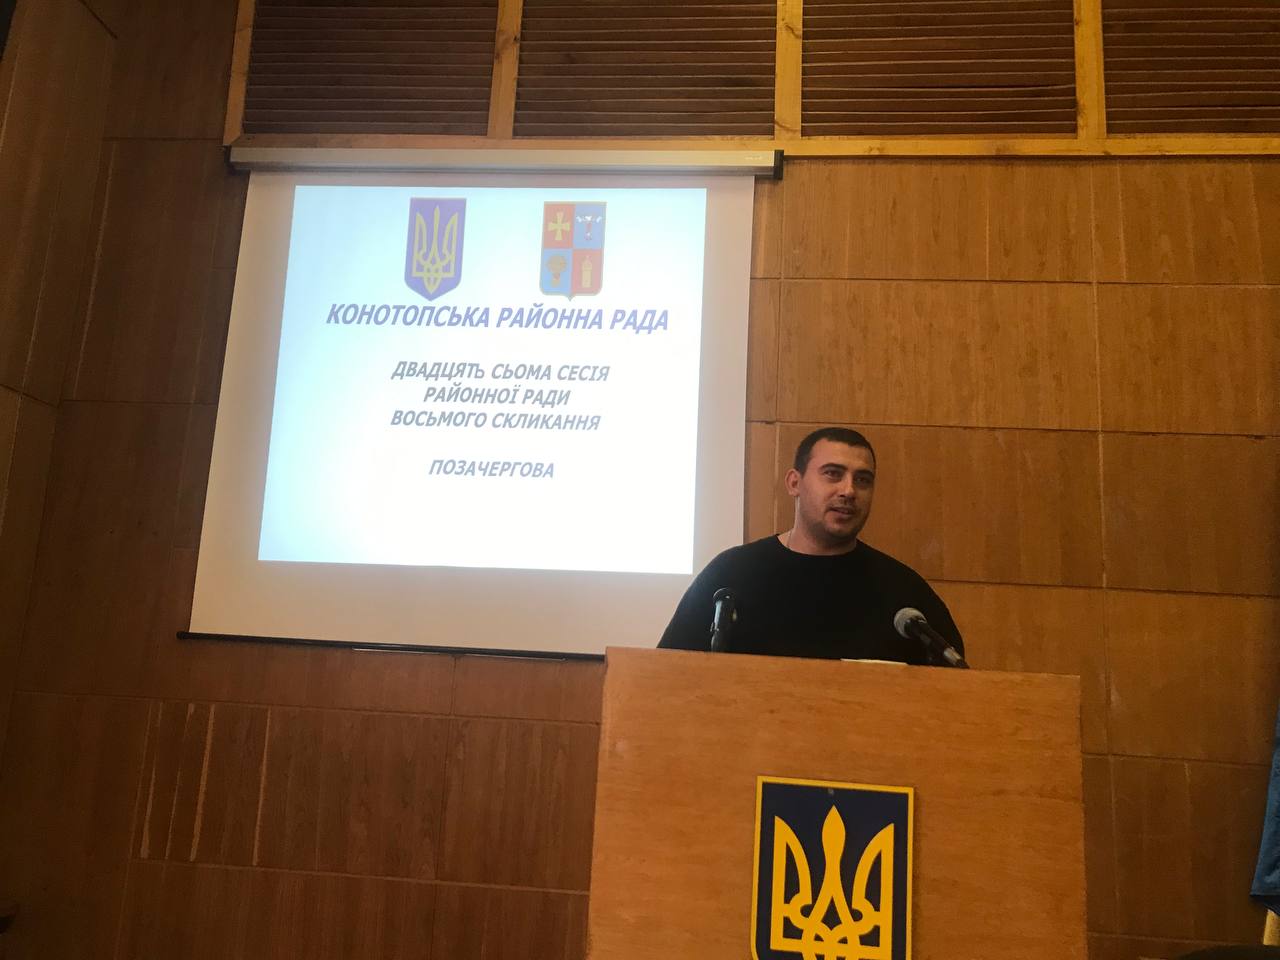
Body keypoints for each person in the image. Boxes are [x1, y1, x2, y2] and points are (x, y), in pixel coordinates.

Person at [658, 426, 964, 664]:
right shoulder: (731, 576)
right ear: (795, 483)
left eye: (863, 480)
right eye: (833, 474)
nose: (848, 491)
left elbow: (953, 690)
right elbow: (669, 674)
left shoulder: (904, 596)